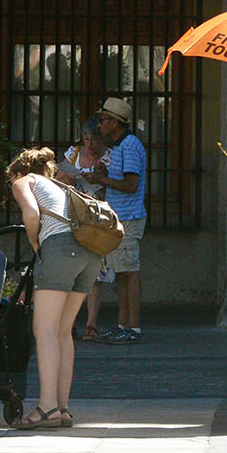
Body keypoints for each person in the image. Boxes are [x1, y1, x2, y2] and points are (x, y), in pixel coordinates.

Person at [8, 145, 101, 428]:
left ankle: (46, 408)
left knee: (44, 330)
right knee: (63, 332)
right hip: (90, 253)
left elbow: (32, 215)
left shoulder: (24, 181)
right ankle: (62, 408)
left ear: (20, 172)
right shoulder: (60, 186)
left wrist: (36, 243)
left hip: (60, 250)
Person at [88, 97, 146, 344]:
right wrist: (103, 174)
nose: (99, 125)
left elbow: (131, 185)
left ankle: (133, 327)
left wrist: (101, 181)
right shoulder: (118, 145)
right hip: (119, 217)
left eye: (103, 120)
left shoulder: (130, 146)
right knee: (121, 273)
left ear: (115, 122)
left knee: (129, 273)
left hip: (128, 217)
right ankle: (123, 324)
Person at [57, 119, 113, 341]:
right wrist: (68, 178)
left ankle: (91, 324)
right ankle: (70, 322)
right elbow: (59, 177)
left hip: (98, 216)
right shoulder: (73, 153)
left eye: (94, 139)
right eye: (86, 139)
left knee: (96, 272)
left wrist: (101, 177)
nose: (89, 144)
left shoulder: (109, 156)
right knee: (72, 270)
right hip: (74, 214)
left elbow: (117, 184)